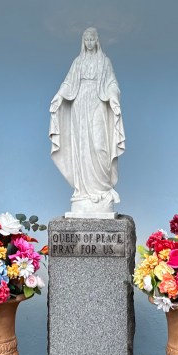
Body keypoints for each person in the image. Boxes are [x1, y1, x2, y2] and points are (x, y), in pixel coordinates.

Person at [49, 27, 125, 216]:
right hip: (80, 105)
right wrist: (59, 96)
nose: (90, 43)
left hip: (98, 103)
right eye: (87, 39)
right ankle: (83, 192)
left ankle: (103, 189)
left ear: (97, 40)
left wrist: (113, 98)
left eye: (92, 39)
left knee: (99, 146)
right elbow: (68, 82)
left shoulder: (104, 61)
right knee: (82, 148)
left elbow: (112, 83)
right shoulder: (78, 62)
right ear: (83, 42)